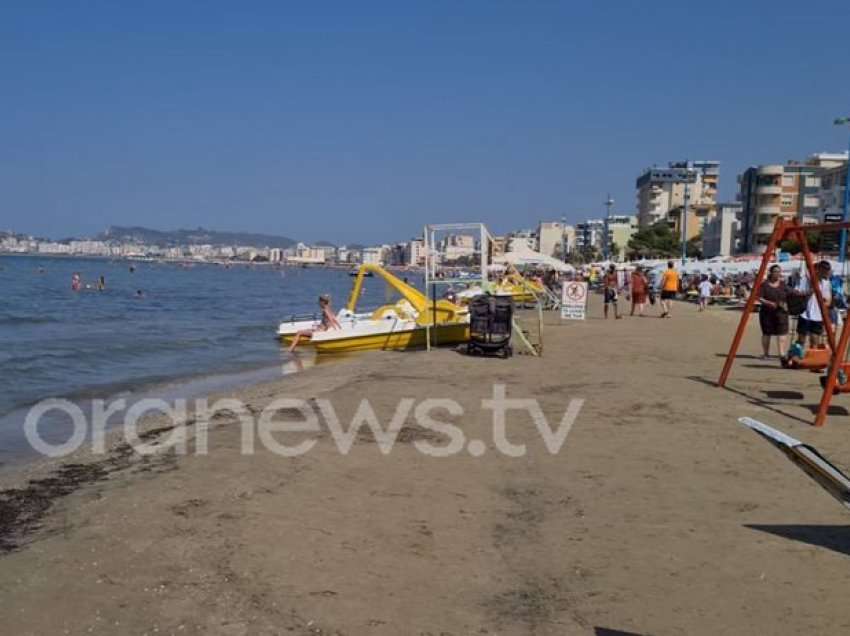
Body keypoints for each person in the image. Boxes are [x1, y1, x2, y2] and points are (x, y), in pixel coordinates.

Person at [793, 260, 832, 349]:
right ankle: (797, 356)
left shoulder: (826, 283)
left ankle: (813, 358)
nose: (827, 273)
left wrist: (824, 304)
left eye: (828, 270)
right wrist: (810, 291)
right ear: (819, 269)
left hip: (818, 316)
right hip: (805, 314)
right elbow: (797, 292)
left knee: (815, 339)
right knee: (801, 339)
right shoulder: (806, 279)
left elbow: (828, 301)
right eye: (825, 270)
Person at [758, 265, 789, 359]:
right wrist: (769, 303)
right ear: (770, 272)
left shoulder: (783, 284)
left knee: (782, 332)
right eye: (775, 271)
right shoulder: (764, 285)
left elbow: (791, 293)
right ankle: (766, 353)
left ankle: (782, 354)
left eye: (779, 271)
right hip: (767, 312)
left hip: (781, 312)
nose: (777, 273)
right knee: (766, 333)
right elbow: (759, 297)